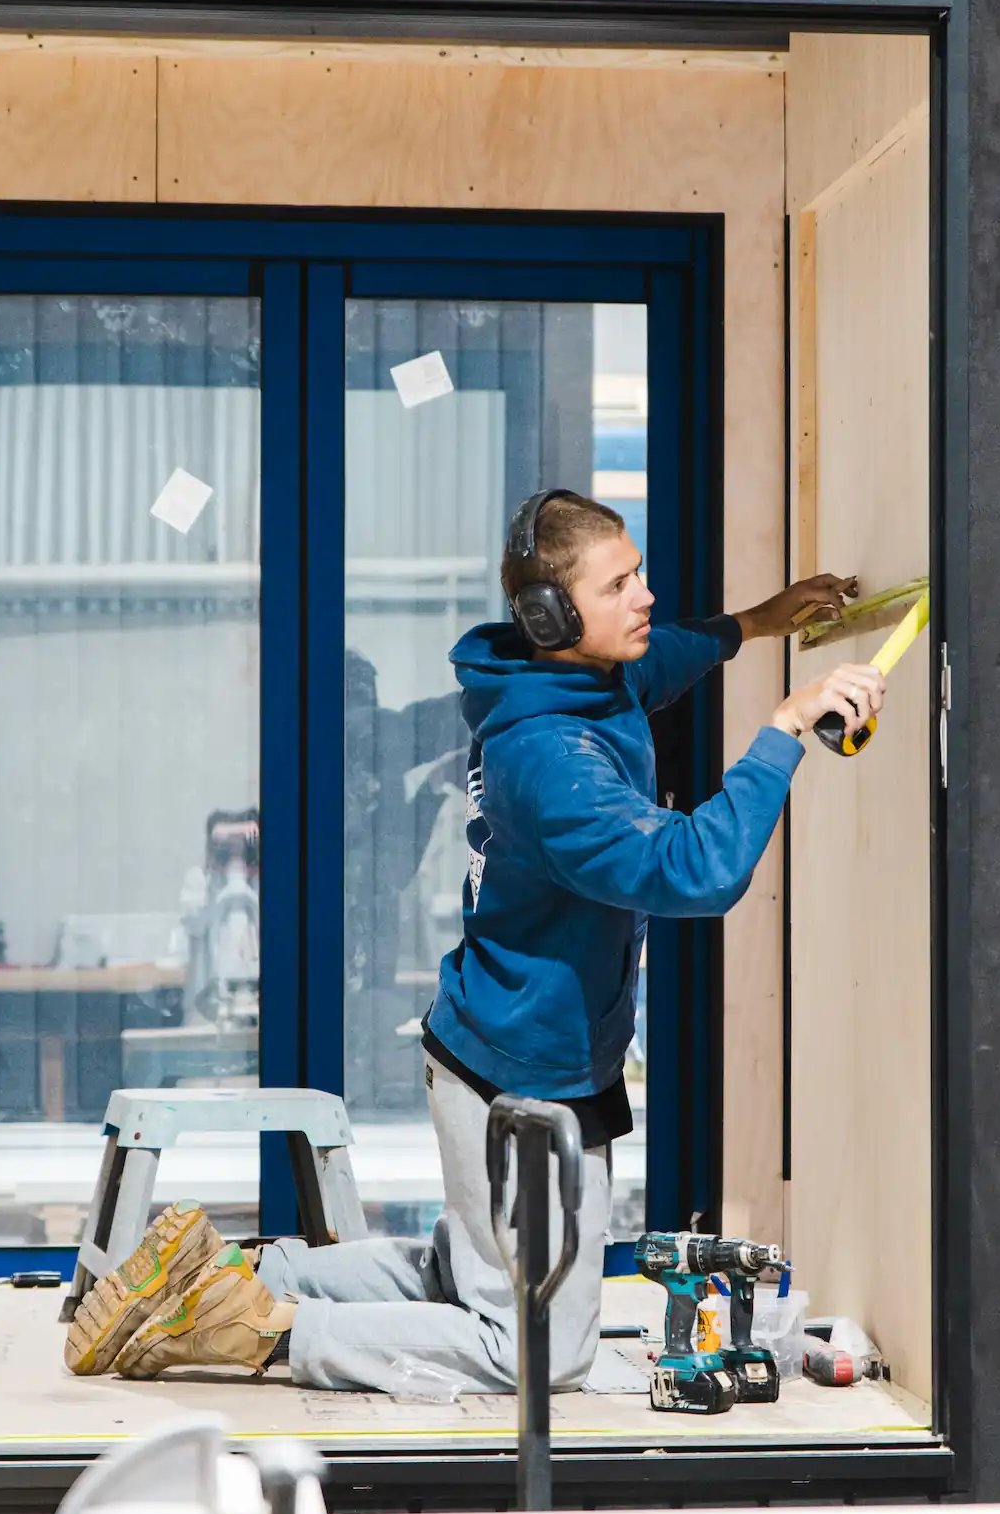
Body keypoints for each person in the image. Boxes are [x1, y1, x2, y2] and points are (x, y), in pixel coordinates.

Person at [64, 491, 885, 1389]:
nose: (645, 596)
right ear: (553, 615)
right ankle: (260, 1331)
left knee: (465, 1275)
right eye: (619, 585)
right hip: (520, 1080)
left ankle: (245, 1273)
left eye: (638, 572)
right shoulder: (550, 759)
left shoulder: (577, 677)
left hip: (518, 1047)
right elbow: (692, 871)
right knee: (537, 1351)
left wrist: (761, 621)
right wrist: (785, 730)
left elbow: (669, 659)